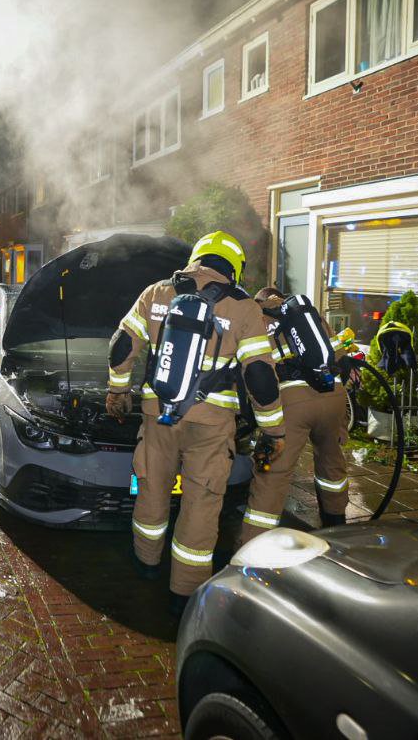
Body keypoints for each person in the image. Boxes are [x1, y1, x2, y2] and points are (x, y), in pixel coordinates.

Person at [106, 231, 286, 613]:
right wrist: (273, 430)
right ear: (233, 267)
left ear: (196, 258)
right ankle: (185, 592)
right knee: (202, 502)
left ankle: (145, 563)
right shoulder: (243, 307)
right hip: (212, 423)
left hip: (158, 416)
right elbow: (260, 378)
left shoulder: (156, 293)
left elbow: (122, 345)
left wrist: (117, 391)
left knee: (152, 488)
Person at [239, 286, 352, 542]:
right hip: (332, 397)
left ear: (260, 300)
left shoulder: (256, 317)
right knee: (331, 467)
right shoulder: (307, 313)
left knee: (272, 475)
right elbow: (340, 355)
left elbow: (252, 367)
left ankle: (252, 547)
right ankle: (337, 532)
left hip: (291, 402)